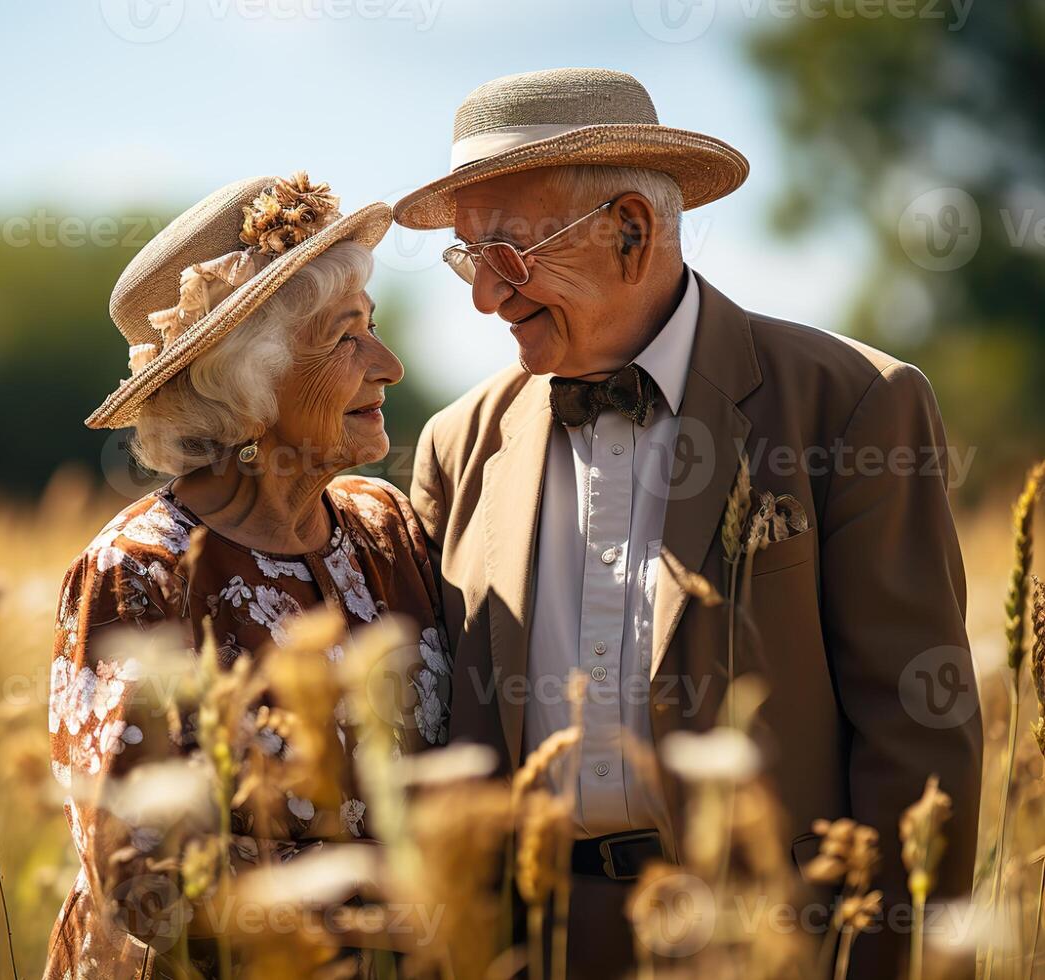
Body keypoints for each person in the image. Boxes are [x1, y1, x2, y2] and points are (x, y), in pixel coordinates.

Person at [396, 68, 981, 977]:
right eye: (466, 257)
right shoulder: (455, 442)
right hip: (529, 944)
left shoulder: (853, 404)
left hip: (765, 943)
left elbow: (917, 738)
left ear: (630, 230)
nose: (483, 296)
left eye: (507, 254)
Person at [44, 173, 450, 978]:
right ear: (246, 384)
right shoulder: (141, 571)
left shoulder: (385, 525)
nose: (389, 365)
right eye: (345, 340)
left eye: (372, 329)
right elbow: (140, 876)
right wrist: (376, 899)